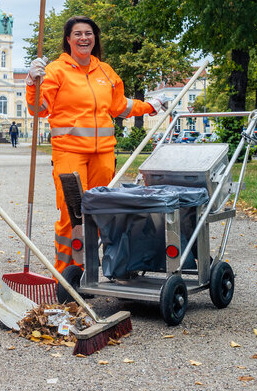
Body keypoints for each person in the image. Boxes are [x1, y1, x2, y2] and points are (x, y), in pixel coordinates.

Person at [26, 16, 169, 275]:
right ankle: (70, 272)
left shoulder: (105, 71)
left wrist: (150, 107)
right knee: (73, 214)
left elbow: (120, 106)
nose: (84, 38)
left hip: (103, 154)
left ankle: (113, 265)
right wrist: (31, 84)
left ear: (95, 38)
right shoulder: (56, 71)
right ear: (68, 39)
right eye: (78, 34)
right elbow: (38, 109)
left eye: (88, 33)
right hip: (69, 153)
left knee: (107, 210)